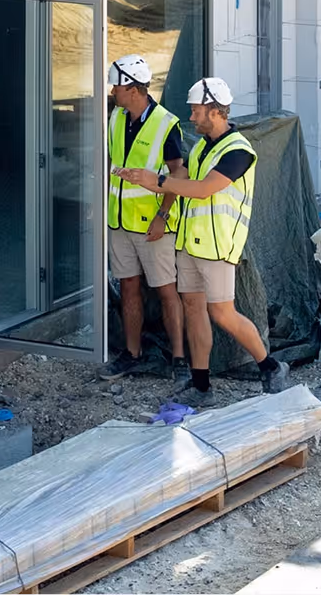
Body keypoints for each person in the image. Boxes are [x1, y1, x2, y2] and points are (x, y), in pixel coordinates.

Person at [116, 77, 290, 407]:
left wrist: (160, 181)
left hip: (217, 247)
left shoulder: (238, 151)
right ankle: (201, 386)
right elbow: (185, 180)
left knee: (222, 313)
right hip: (189, 244)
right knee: (195, 311)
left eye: (196, 111)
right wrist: (147, 179)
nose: (192, 118)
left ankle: (270, 367)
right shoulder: (201, 146)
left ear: (214, 111)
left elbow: (204, 188)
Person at [100, 55, 191, 393]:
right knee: (129, 288)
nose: (112, 91)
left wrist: (162, 215)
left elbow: (178, 172)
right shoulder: (115, 118)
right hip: (120, 221)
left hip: (153, 226)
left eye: (117, 86)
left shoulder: (166, 123)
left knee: (167, 291)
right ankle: (132, 353)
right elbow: (112, 162)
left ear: (134, 89)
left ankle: (179, 360)